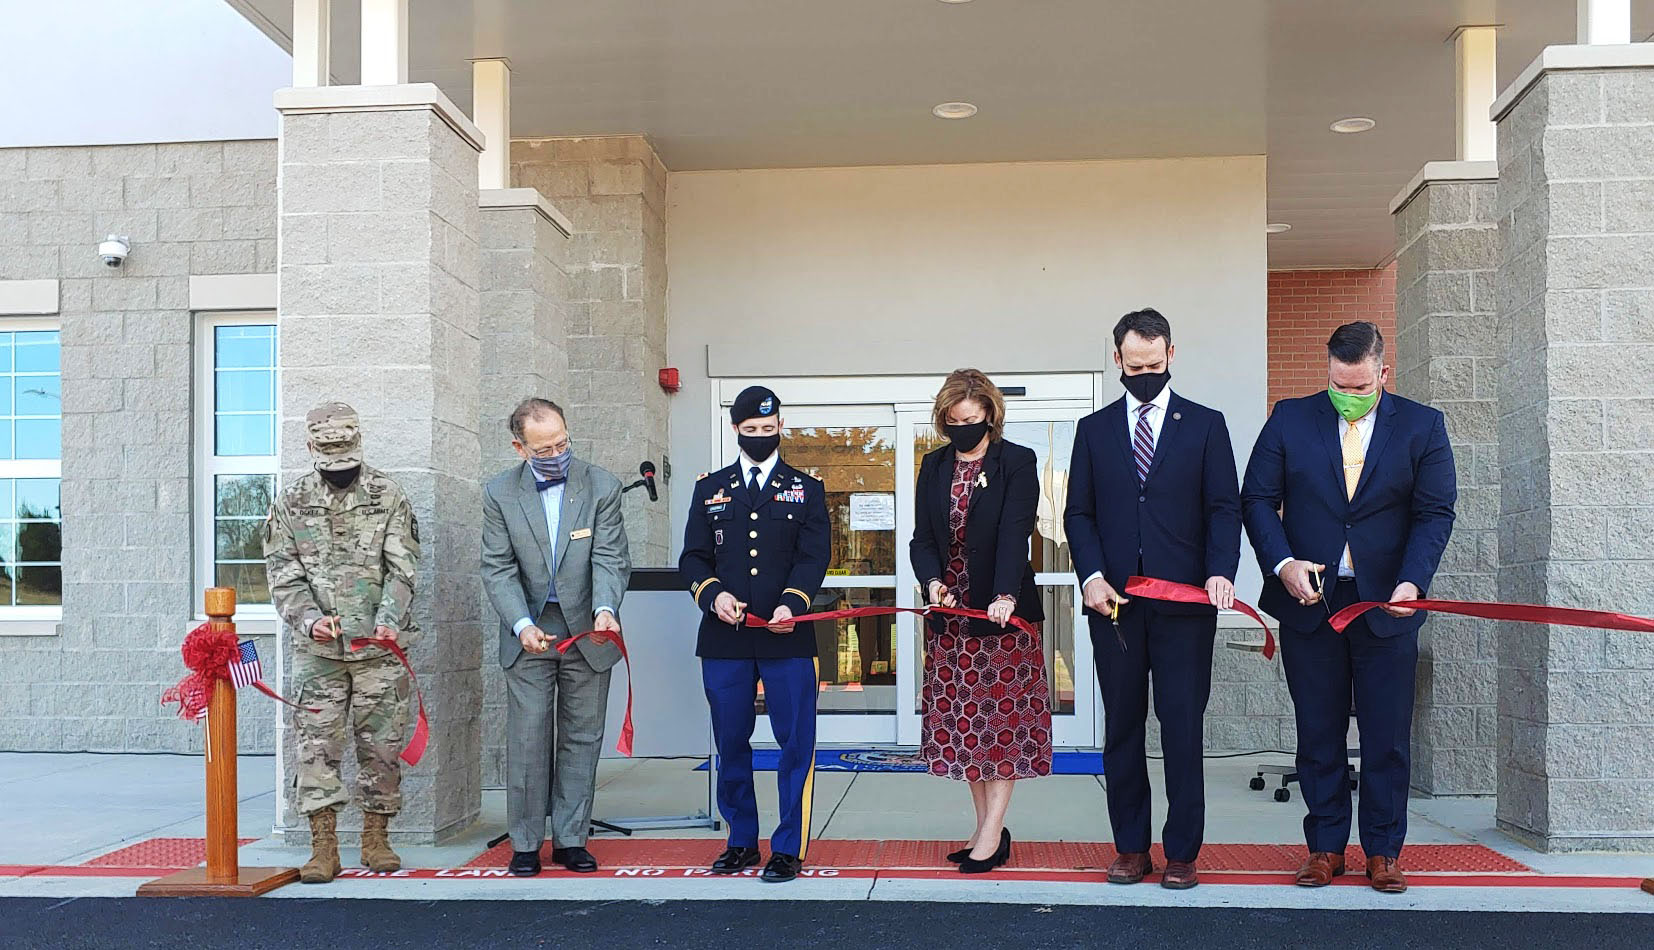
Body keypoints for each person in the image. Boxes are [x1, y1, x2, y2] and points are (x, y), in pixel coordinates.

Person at [1241, 321, 1455, 894]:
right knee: (1318, 729)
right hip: (1311, 602)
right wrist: (1281, 563)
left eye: (1359, 387)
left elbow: (1435, 513)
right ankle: (1325, 848)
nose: (1348, 395)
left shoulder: (1422, 426)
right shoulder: (1290, 418)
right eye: (1339, 384)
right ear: (1328, 371)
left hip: (1387, 605)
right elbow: (1257, 499)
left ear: (1383, 374)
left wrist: (1414, 581)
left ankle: (1383, 851)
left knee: (1387, 735)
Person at [1063, 309, 1241, 890]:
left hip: (1185, 605)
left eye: (1154, 364)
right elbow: (1079, 513)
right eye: (1133, 365)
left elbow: (1224, 508)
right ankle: (1131, 848)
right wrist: (1089, 575)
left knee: (1182, 726)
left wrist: (1220, 572)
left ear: (1171, 355)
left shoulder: (1207, 426)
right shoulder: (1093, 431)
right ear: (1117, 359)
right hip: (1113, 606)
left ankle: (1183, 851)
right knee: (1123, 728)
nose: (1144, 374)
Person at [264, 402, 419, 884]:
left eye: (347, 461)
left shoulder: (387, 494)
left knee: (382, 748)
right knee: (315, 748)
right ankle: (323, 846)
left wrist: (390, 619)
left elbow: (403, 567)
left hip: (378, 651)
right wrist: (309, 620)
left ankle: (376, 839)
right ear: (311, 448)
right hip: (319, 656)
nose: (341, 472)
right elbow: (282, 574)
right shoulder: (289, 503)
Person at [680, 386, 829, 884]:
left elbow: (814, 557)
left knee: (795, 745)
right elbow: (694, 558)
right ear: (736, 430)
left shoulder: (806, 488)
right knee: (731, 742)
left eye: (770, 429)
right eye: (752, 431)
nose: (762, 437)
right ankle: (741, 840)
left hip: (787, 636)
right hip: (725, 640)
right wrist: (713, 594)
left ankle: (788, 847)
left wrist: (794, 601)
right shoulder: (710, 489)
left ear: (780, 427)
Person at [910, 368, 1053, 875]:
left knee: (1003, 726)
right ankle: (984, 828)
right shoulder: (933, 465)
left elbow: (1016, 531)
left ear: (990, 414)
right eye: (953, 422)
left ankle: (993, 832)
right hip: (951, 618)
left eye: (970, 420)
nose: (962, 429)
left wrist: (1005, 593)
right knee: (967, 727)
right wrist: (931, 582)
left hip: (1000, 616)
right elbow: (922, 538)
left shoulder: (1016, 461)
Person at [482, 398, 631, 876]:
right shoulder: (499, 493)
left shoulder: (601, 484)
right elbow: (498, 567)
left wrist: (606, 609)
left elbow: (610, 557)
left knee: (582, 736)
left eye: (562, 442)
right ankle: (525, 843)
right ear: (520, 448)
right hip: (529, 630)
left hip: (588, 631)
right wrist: (521, 624)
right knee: (528, 738)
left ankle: (571, 839)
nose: (557, 453)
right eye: (544, 449)